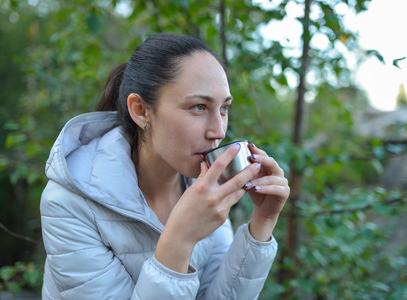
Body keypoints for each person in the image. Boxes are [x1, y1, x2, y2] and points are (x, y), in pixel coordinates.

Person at [40, 33, 290, 299]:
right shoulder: (68, 203)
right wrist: (179, 241)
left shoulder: (205, 188)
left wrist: (262, 221)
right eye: (198, 107)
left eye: (224, 109)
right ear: (140, 110)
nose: (218, 131)